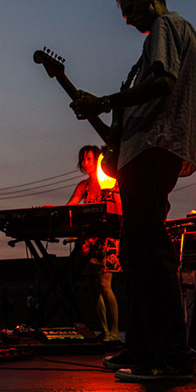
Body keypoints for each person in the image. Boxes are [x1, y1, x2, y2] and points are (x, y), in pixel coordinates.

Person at [70, 0, 196, 381]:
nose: (126, 20)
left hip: (153, 149)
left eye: (130, 10)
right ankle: (144, 348)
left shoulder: (166, 26)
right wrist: (109, 117)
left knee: (150, 252)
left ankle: (172, 357)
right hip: (145, 151)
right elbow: (132, 113)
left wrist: (105, 101)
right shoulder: (165, 39)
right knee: (138, 254)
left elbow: (163, 82)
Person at [67, 144, 122, 344]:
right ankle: (105, 331)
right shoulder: (84, 186)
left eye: (89, 158)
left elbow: (118, 210)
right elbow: (71, 205)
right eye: (83, 159)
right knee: (93, 288)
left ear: (98, 160)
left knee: (105, 284)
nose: (84, 163)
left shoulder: (111, 182)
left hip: (107, 238)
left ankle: (115, 332)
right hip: (89, 240)